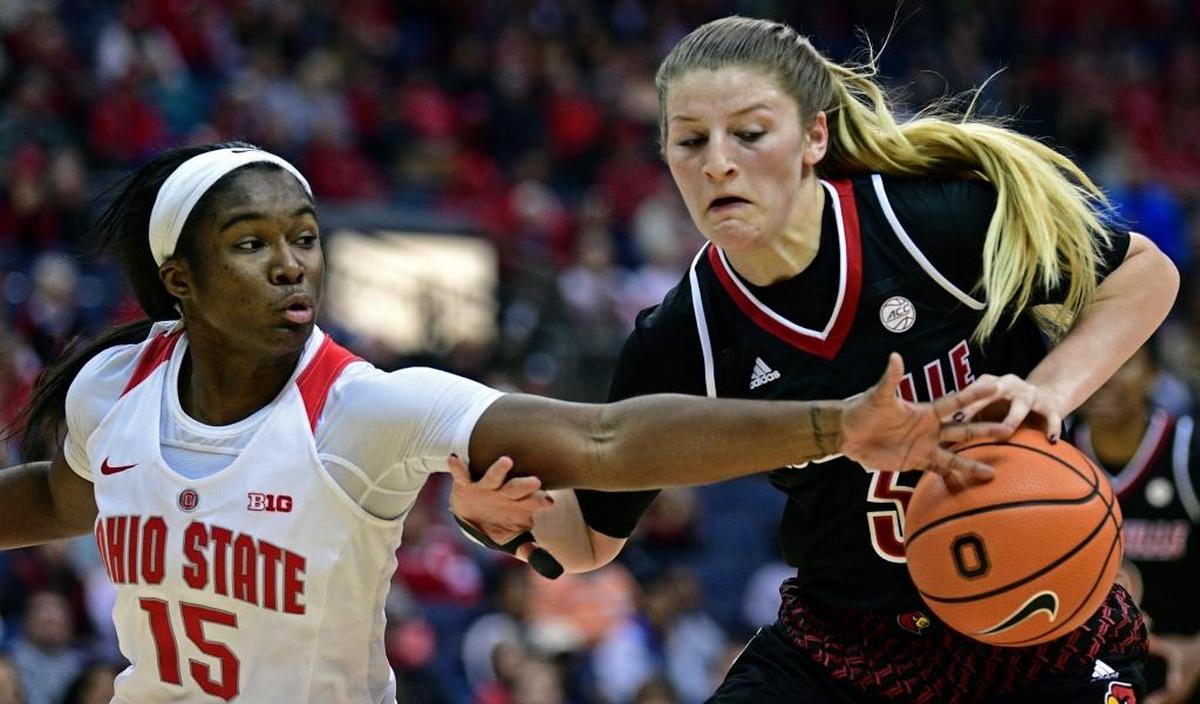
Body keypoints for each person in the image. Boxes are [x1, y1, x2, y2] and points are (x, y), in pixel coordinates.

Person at [0, 142, 1004, 703]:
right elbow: (56, 496)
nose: (292, 262)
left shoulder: (364, 408)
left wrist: (832, 423)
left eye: (304, 237)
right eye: (251, 243)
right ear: (181, 277)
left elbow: (605, 440)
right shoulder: (114, 390)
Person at [450, 15, 1180, 704]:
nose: (718, 164)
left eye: (750, 133)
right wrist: (497, 518)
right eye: (690, 142)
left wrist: (1048, 390)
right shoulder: (687, 333)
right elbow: (585, 537)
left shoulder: (924, 223)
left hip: (1039, 618)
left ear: (813, 137)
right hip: (850, 648)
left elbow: (1145, 273)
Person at [1070, 341, 1200, 704]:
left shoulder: (1188, 451)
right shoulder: (1051, 454)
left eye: (1122, 363)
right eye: (1091, 361)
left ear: (1153, 375)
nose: (1103, 378)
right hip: (1086, 671)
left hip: (1179, 664)